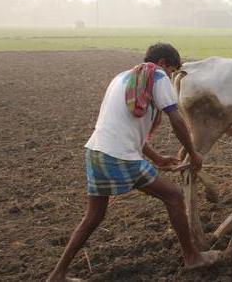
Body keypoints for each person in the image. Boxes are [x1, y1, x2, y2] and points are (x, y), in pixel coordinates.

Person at [47, 43, 218, 282]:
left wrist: (157, 158)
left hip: (96, 151)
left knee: (93, 217)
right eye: (172, 70)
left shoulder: (122, 78)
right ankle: (192, 257)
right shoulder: (156, 75)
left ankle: (58, 274)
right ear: (162, 63)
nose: (170, 76)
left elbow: (124, 126)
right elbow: (176, 119)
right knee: (174, 196)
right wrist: (193, 153)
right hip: (120, 157)